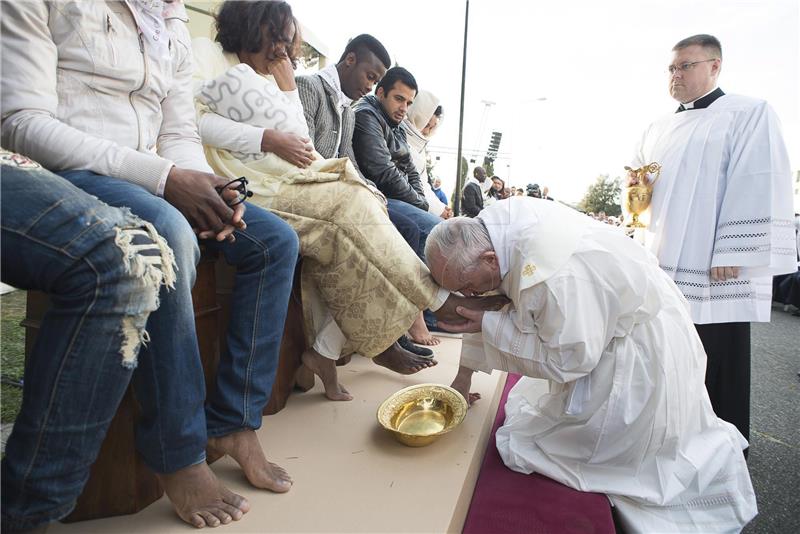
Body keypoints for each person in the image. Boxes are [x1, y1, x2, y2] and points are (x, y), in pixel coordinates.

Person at [2, 2, 299, 527]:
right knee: (171, 231)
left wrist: (205, 187)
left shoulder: (169, 16)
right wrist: (165, 180)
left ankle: (233, 422)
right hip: (72, 170)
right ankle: (178, 454)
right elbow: (21, 123)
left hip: (151, 173)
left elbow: (179, 128)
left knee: (274, 241)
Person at [193, 1, 504, 398]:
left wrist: (285, 92)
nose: (282, 53)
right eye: (277, 40)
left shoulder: (279, 78)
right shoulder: (209, 55)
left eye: (288, 45)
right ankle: (431, 305)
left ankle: (371, 341)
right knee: (353, 206)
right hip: (246, 180)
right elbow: (195, 122)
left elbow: (300, 142)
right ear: (251, 25)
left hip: (285, 175)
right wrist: (266, 137)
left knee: (360, 207)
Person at [425, 198, 758, 533]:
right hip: (599, 323)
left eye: (467, 287)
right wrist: (462, 379)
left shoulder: (552, 279)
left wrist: (489, 324)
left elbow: (570, 359)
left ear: (490, 259)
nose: (468, 296)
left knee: (539, 447)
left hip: (634, 354)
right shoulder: (493, 227)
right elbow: (487, 306)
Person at [629, 34, 796, 445]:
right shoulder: (658, 126)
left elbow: (758, 179)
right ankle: (670, 432)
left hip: (713, 261)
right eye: (671, 68)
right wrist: (636, 191)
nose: (676, 75)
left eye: (686, 66)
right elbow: (639, 185)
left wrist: (734, 248)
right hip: (664, 254)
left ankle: (721, 443)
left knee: (716, 353)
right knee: (666, 345)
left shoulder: (748, 112)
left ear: (715, 66)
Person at [0, 150, 173, 530]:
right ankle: (27, 514)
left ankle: (25, 514)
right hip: (87, 158)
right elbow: (25, 116)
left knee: (136, 250)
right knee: (121, 260)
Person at [353, 66, 447, 340]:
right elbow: (383, 172)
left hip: (396, 198)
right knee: (428, 227)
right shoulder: (367, 116)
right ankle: (417, 317)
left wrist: (418, 202)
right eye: (398, 99)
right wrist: (420, 205)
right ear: (380, 92)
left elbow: (411, 171)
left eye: (408, 102)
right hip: (376, 197)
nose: (404, 107)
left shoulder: (392, 124)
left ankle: (426, 313)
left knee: (436, 227)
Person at [402, 95, 451, 220]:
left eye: (432, 127)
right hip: (403, 200)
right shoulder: (400, 135)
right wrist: (437, 209)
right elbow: (409, 184)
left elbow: (423, 183)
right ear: (416, 116)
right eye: (426, 124)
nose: (427, 131)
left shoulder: (420, 145)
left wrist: (441, 207)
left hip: (418, 203)